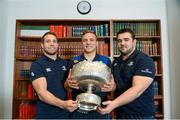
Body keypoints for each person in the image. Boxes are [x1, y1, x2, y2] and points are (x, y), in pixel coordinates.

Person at [98, 28, 156, 119]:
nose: (122, 43)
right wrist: (112, 86)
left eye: (126, 40)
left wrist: (114, 104)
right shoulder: (116, 62)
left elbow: (137, 90)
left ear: (134, 41)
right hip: (121, 113)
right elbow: (116, 86)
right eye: (119, 41)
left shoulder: (144, 60)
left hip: (141, 115)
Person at [65, 30, 116, 119]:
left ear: (96, 43)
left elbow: (113, 86)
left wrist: (113, 86)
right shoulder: (74, 61)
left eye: (91, 40)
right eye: (85, 40)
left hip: (100, 109)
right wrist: (68, 84)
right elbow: (66, 87)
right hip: (78, 109)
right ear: (82, 43)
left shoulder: (106, 60)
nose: (88, 42)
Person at [30, 32, 78, 119]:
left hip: (65, 114)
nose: (52, 43)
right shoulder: (37, 65)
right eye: (48, 41)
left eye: (54, 41)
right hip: (46, 115)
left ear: (57, 44)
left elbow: (69, 87)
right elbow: (41, 93)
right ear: (42, 45)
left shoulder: (65, 63)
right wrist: (63, 104)